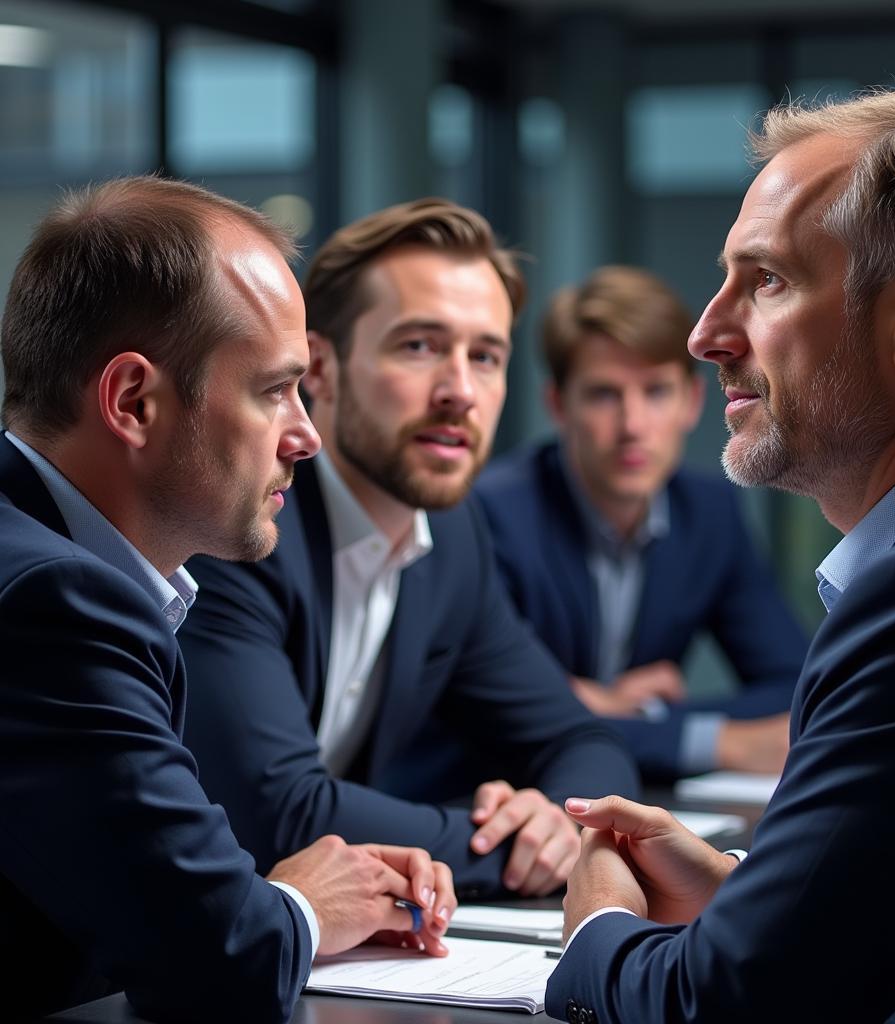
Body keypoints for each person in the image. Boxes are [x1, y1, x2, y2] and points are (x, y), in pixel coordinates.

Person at [547, 91, 895, 1022]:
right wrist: (749, 892)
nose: (705, 335)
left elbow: (729, 1008)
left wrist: (598, 928)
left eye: (763, 280)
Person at [0, 178, 459, 1023]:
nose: (306, 434)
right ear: (134, 402)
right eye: (274, 389)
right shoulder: (53, 605)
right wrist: (303, 906)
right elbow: (219, 960)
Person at [177, 198, 640, 900]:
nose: (460, 392)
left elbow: (584, 740)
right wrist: (514, 848)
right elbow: (276, 813)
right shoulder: (240, 520)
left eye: (485, 356)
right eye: (419, 346)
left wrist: (562, 820)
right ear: (321, 369)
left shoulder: (450, 539)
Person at [475, 265, 807, 781]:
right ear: (559, 406)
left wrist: (632, 712)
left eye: (655, 392)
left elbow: (793, 687)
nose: (632, 426)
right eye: (604, 395)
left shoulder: (711, 514)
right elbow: (498, 718)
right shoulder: (492, 514)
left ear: (692, 403)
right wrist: (713, 742)